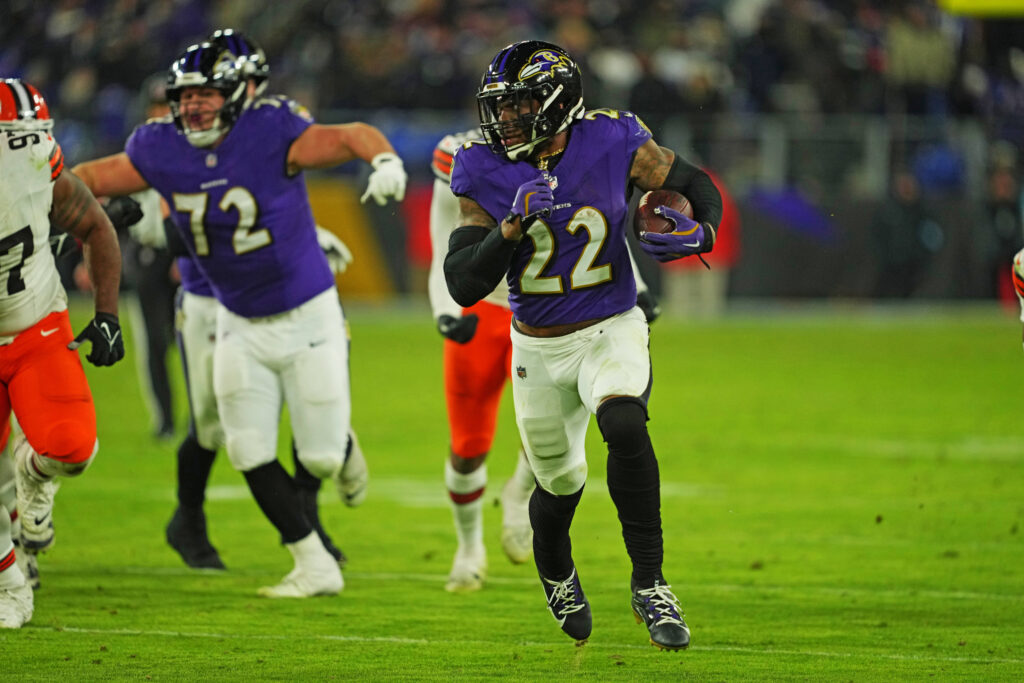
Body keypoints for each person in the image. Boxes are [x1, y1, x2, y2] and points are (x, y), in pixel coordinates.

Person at [72, 42, 406, 598]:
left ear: (232, 97)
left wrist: (386, 161)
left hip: (307, 315)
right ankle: (312, 563)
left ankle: (341, 445)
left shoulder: (269, 129)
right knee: (244, 447)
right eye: (185, 97)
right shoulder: (159, 146)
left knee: (319, 456)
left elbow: (350, 134)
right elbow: (84, 178)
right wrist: (55, 202)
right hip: (235, 316)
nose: (193, 106)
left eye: (205, 95)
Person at [444, 41, 722, 650]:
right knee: (560, 484)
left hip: (610, 324)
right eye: (500, 106)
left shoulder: (613, 138)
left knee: (624, 421)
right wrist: (509, 229)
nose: (504, 118)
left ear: (555, 102)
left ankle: (650, 583)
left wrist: (702, 231)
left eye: (518, 105)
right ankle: (558, 574)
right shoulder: (481, 166)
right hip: (538, 348)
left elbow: (695, 182)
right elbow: (463, 283)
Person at [154, 30, 363, 573]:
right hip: (210, 296)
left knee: (308, 399)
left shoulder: (271, 128)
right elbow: (180, 225)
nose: (242, 95)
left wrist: (305, 240)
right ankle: (188, 517)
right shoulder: (183, 137)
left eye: (246, 84)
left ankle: (310, 514)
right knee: (209, 424)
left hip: (281, 295)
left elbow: (279, 202)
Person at [430, 128, 663, 593]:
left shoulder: (568, 147)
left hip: (553, 312)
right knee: (468, 444)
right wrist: (444, 309)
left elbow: (601, 224)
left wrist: (634, 283)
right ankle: (469, 547)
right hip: (484, 309)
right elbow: (445, 242)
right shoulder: (463, 156)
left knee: (546, 431)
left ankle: (519, 495)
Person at [0, 78, 126, 628]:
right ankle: (10, 584)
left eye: (31, 135)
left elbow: (94, 225)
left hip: (35, 329)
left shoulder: (35, 162)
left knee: (72, 448)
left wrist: (107, 316)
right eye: (15, 136)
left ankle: (32, 473)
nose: (28, 145)